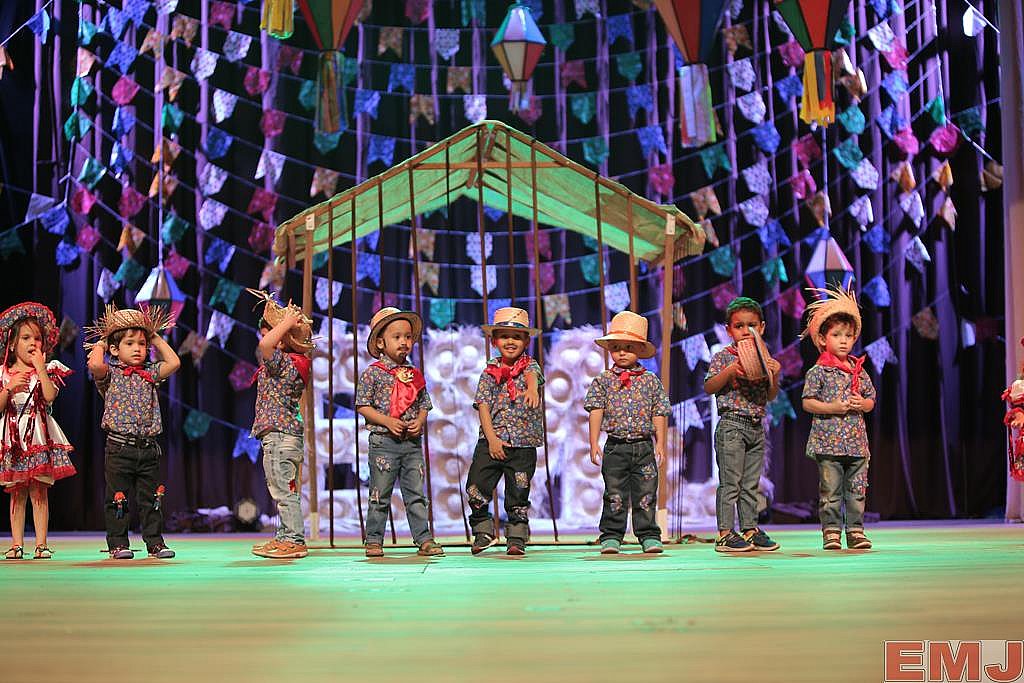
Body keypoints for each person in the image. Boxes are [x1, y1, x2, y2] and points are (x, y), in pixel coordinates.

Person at [86, 305, 180, 560]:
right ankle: (118, 543)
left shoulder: (150, 372)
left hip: (148, 447)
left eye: (142, 343)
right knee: (118, 499)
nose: (138, 348)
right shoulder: (110, 373)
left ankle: (155, 542)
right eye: (130, 343)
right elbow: (95, 364)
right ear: (115, 349)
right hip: (119, 448)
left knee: (152, 499)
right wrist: (103, 343)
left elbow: (174, 362)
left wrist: (154, 336)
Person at [355, 307, 442, 558]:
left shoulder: (413, 374)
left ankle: (423, 538)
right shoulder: (373, 373)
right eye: (397, 337)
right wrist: (387, 421)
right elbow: (362, 405)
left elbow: (424, 403)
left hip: (411, 443)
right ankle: (374, 539)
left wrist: (420, 421)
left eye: (408, 337)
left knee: (416, 494)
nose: (404, 342)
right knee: (379, 494)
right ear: (380, 343)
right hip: (384, 442)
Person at [584, 311, 671, 554]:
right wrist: (593, 442)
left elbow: (659, 412)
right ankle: (611, 536)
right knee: (614, 493)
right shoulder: (603, 380)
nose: (622, 352)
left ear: (640, 350)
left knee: (646, 493)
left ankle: (648, 535)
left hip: (643, 446)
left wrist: (660, 443)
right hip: (616, 446)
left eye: (629, 347)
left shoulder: (650, 381)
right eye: (617, 348)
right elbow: (596, 410)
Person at [703, 297, 782, 553]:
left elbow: (770, 395)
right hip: (732, 426)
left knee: (751, 484)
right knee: (731, 483)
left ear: (762, 327)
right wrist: (729, 372)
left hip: (756, 427)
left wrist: (775, 374)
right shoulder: (723, 357)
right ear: (729, 330)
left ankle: (750, 529)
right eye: (739, 326)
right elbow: (709, 386)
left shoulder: (764, 357)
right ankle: (725, 533)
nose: (746, 331)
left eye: (752, 325)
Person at [801, 286, 876, 550]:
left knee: (857, 489)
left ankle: (855, 531)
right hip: (828, 443)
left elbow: (871, 399)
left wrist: (862, 404)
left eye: (848, 335)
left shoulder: (858, 370)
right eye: (836, 335)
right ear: (823, 339)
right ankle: (831, 532)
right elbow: (807, 402)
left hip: (856, 443)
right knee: (831, 491)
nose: (843, 341)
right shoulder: (819, 371)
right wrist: (832, 406)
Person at [465, 307, 543, 556]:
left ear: (526, 341)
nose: (511, 341)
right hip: (492, 440)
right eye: (505, 336)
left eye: (517, 337)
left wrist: (532, 389)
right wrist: (492, 440)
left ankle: (517, 536)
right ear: (494, 341)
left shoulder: (530, 366)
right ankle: (483, 531)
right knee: (476, 485)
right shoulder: (489, 373)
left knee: (518, 491)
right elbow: (483, 406)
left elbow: (532, 375)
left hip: (522, 443)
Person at [0, 302, 75, 560]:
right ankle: (16, 544)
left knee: (39, 491)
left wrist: (40, 367)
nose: (33, 342)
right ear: (12, 345)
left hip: (37, 436)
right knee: (17, 491)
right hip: (13, 438)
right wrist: (9, 388)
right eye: (26, 338)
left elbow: (50, 396)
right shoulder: (4, 373)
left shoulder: (46, 369)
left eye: (37, 338)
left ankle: (41, 544)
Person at [248, 290, 315, 560]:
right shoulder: (294, 363)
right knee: (286, 488)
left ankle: (295, 540)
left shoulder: (285, 363)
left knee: (283, 491)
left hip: (279, 436)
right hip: (286, 436)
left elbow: (265, 345)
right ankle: (285, 536)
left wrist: (286, 322)